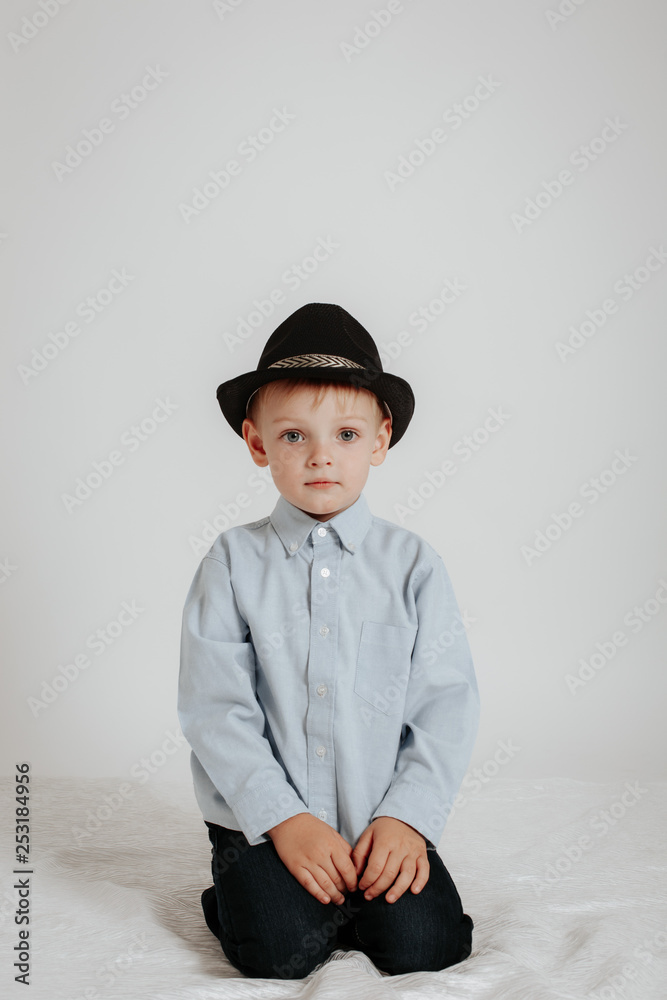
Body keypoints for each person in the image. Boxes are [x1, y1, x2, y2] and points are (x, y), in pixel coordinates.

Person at [178, 302, 480, 979]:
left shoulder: (413, 564)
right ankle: (235, 894)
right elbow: (214, 708)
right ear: (257, 444)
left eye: (344, 433)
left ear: (379, 440)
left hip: (377, 815)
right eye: (293, 436)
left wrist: (405, 819)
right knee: (281, 953)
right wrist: (283, 819)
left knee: (424, 949)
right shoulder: (230, 562)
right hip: (263, 820)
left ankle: (359, 887)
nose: (320, 456)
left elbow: (446, 704)